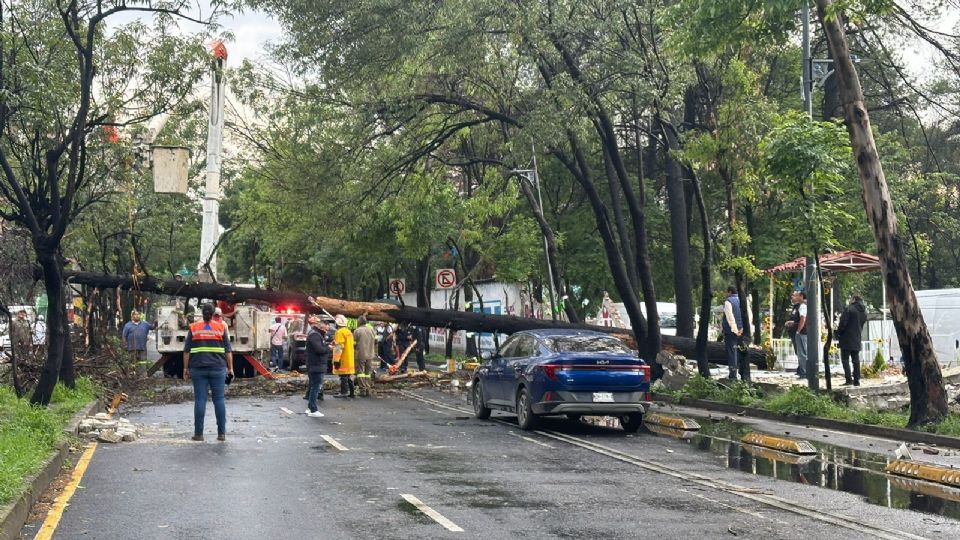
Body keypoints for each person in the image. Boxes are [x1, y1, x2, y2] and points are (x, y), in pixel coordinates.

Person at [183, 303, 234, 442]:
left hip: (198, 369)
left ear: (202, 312)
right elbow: (228, 351)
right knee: (219, 400)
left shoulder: (193, 327)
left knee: (200, 400)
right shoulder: (221, 327)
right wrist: (230, 368)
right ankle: (221, 434)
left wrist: (185, 369)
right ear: (213, 314)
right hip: (218, 368)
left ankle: (199, 434)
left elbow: (187, 351)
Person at [836, 294, 868, 386]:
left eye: (850, 299)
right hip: (857, 337)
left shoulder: (849, 309)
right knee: (856, 360)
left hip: (846, 337)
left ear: (854, 299)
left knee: (845, 360)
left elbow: (843, 322)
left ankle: (848, 380)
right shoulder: (864, 312)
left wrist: (839, 332)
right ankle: (857, 380)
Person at [304, 316, 330, 417]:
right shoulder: (315, 335)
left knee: (313, 386)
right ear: (322, 327)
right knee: (315, 387)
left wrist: (326, 345)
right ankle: (313, 410)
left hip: (315, 364)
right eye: (326, 329)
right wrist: (328, 348)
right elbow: (319, 350)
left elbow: (320, 347)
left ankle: (310, 407)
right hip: (316, 364)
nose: (327, 331)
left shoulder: (315, 334)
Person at [122, 310, 154, 376]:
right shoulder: (128, 325)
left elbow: (152, 327)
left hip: (142, 347)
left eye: (138, 314)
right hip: (132, 348)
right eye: (135, 315)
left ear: (140, 316)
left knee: (142, 363)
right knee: (132, 363)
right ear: (132, 316)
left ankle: (143, 376)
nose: (137, 316)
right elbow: (124, 336)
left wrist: (156, 323)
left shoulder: (145, 324)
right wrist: (125, 345)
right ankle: (132, 376)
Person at [722, 286, 744, 380]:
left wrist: (735, 330)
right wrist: (743, 328)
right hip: (742, 330)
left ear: (729, 292)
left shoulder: (728, 302)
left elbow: (730, 317)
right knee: (741, 351)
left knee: (732, 352)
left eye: (726, 292)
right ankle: (742, 372)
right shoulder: (743, 300)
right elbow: (748, 315)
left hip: (731, 331)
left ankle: (733, 374)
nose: (725, 294)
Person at [785, 290, 808, 379]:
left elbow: (802, 319)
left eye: (796, 295)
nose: (793, 297)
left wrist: (798, 330)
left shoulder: (802, 306)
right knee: (801, 352)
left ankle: (804, 372)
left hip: (801, 332)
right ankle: (802, 370)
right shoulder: (796, 306)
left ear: (801, 296)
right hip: (799, 331)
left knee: (802, 353)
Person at [332, 314, 356, 398]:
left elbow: (339, 347)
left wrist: (336, 360)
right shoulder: (348, 331)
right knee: (348, 376)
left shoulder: (339, 332)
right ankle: (352, 392)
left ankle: (344, 392)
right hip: (349, 357)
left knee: (343, 376)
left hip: (343, 358)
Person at [353, 316, 377, 397]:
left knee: (360, 373)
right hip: (370, 354)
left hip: (361, 354)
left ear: (359, 322)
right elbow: (376, 341)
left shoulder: (357, 331)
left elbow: (353, 343)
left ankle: (362, 390)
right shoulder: (372, 330)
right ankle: (368, 389)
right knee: (368, 373)